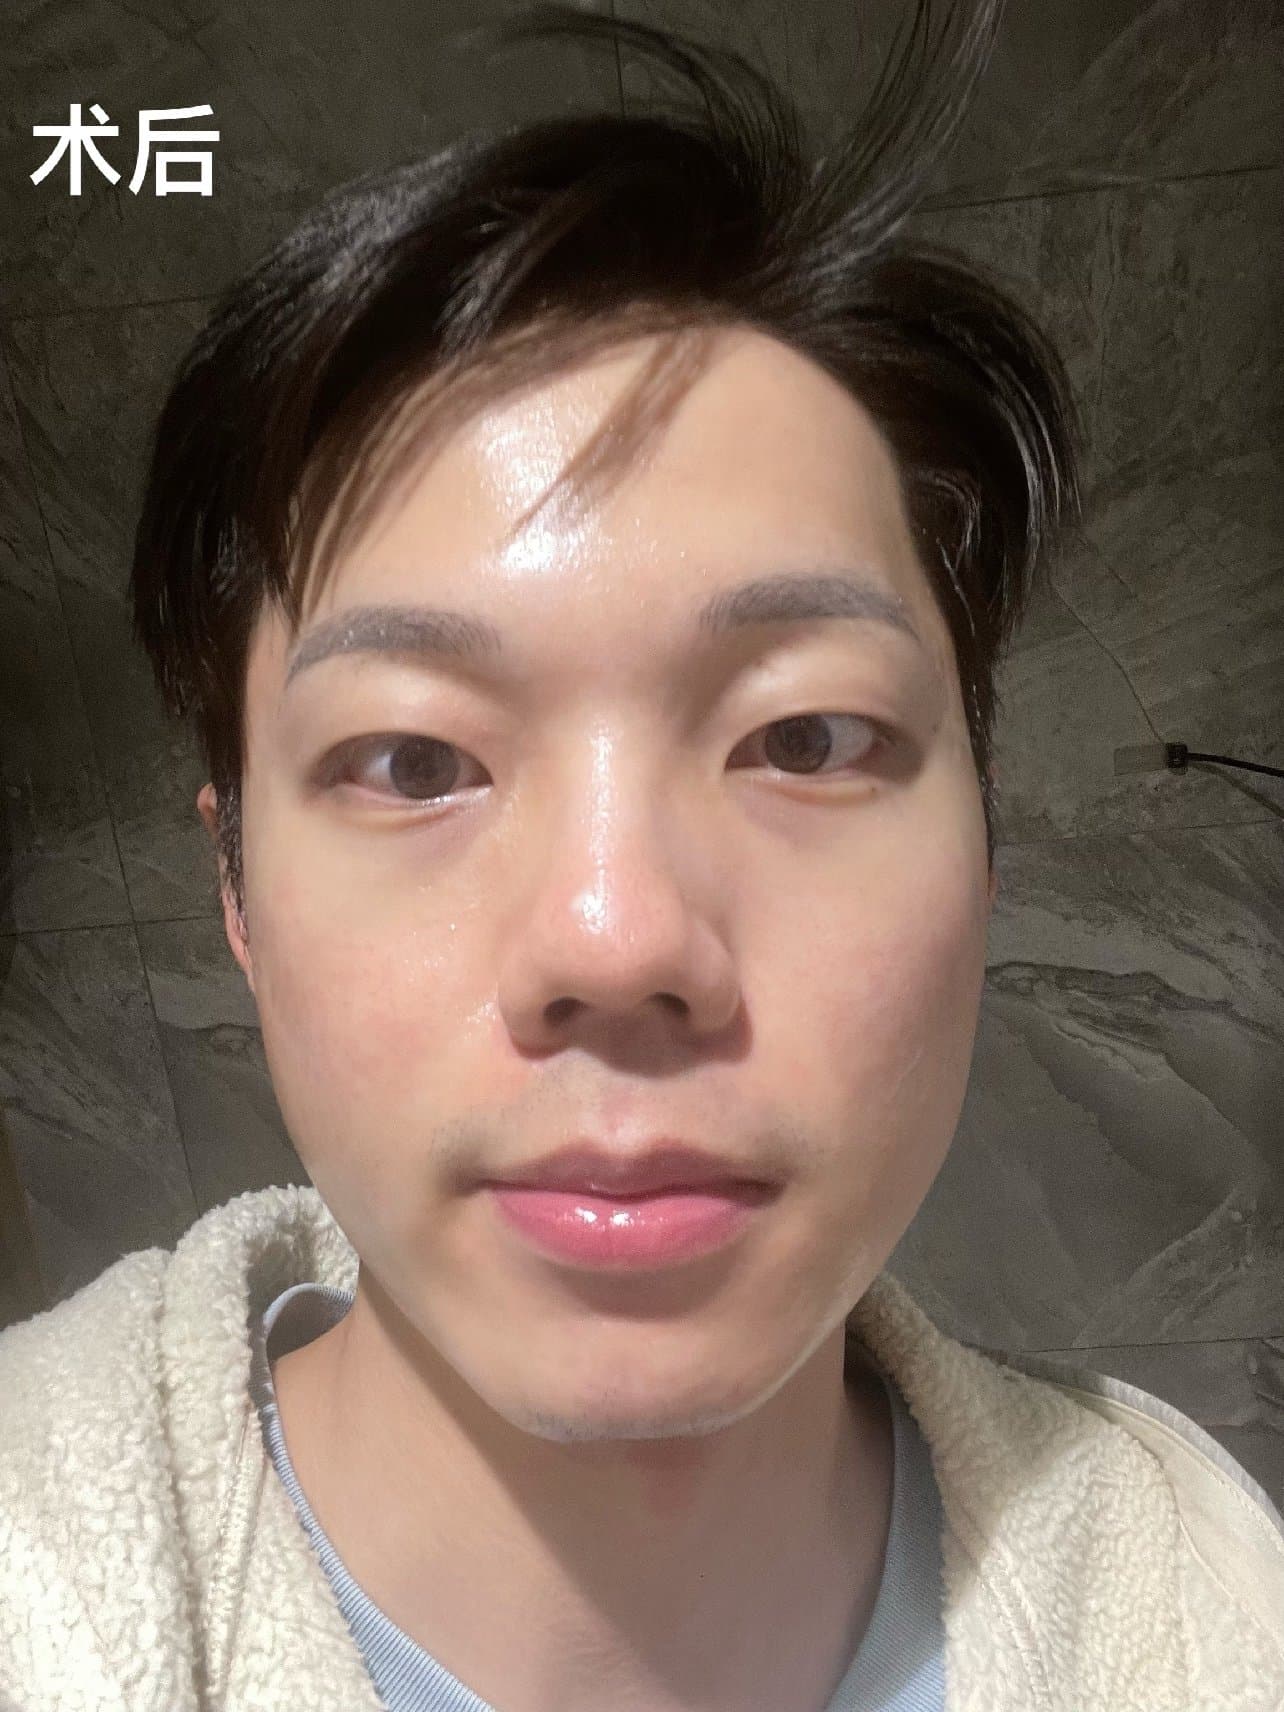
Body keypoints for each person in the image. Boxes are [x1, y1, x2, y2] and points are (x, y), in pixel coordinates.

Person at [1, 4, 1280, 1710]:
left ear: (987, 842)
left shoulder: (1210, 1596)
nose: (615, 938)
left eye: (805, 739)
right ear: (236, 889)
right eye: (413, 762)